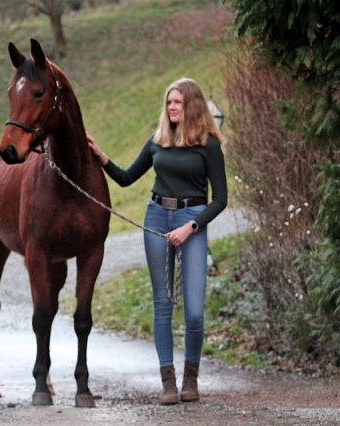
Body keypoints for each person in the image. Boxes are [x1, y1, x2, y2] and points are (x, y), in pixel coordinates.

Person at [87, 77, 227, 405]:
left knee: (193, 311)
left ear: (192, 105)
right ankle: (168, 381)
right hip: (156, 220)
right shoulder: (158, 140)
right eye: (169, 102)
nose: (172, 107)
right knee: (162, 304)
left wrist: (191, 226)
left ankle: (191, 378)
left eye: (177, 102)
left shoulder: (208, 145)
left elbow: (220, 199)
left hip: (190, 222)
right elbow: (125, 178)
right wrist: (100, 155)